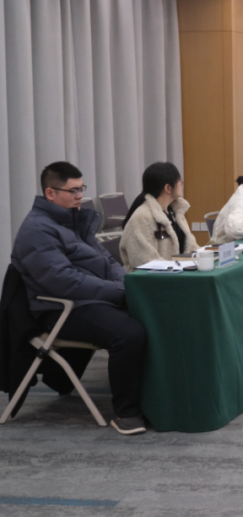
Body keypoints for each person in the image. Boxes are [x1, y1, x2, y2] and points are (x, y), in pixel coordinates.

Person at [10, 162, 147, 435]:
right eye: (73, 191)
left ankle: (153, 400)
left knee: (151, 316)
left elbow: (107, 261)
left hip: (89, 300)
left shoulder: (73, 220)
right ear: (50, 193)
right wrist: (118, 292)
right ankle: (126, 413)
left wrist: (126, 284)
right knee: (129, 334)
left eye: (81, 188)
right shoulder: (37, 231)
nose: (80, 196)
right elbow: (64, 282)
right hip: (60, 310)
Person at [118, 162, 197, 272]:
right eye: (180, 182)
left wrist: (202, 257)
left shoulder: (176, 212)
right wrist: (179, 268)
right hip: (153, 280)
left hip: (178, 275)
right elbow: (144, 260)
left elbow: (191, 246)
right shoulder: (141, 217)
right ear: (168, 188)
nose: (182, 185)